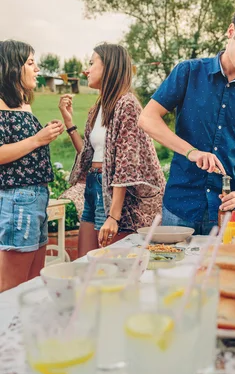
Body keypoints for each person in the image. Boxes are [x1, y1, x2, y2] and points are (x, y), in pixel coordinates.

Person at [138, 0, 235, 235]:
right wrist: (191, 152)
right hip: (179, 208)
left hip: (227, 212)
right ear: (231, 31)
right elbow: (147, 119)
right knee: (174, 271)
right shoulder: (188, 72)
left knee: (223, 272)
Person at [59, 43, 165, 256]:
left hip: (115, 194)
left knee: (109, 266)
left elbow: (126, 165)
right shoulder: (98, 108)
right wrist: (69, 124)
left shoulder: (127, 105)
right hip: (94, 185)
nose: (86, 70)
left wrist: (114, 216)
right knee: (85, 262)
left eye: (91, 63)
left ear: (109, 67)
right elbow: (88, 156)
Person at [0, 40, 64, 292]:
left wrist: (45, 132)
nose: (37, 69)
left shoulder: (22, 104)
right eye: (30, 63)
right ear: (12, 68)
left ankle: (26, 330)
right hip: (18, 198)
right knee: (13, 287)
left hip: (35, 196)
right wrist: (38, 138)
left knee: (35, 280)